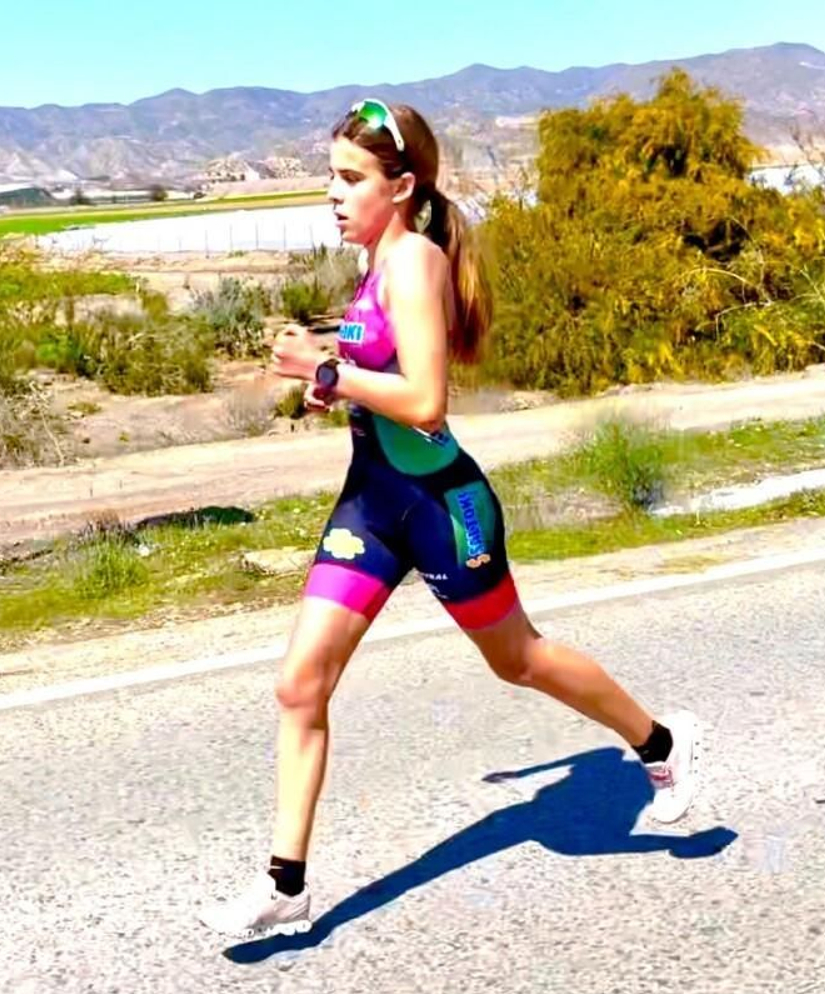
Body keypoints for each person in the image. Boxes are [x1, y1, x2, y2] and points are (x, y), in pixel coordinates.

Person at [197, 99, 704, 939]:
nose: (332, 193)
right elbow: (379, 390)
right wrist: (328, 374)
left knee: (520, 659)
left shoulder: (415, 263)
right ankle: (286, 881)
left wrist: (322, 368)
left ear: (401, 188)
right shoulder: (373, 267)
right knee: (300, 682)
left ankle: (659, 745)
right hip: (371, 502)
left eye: (349, 179)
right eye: (330, 175)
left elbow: (428, 404)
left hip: (441, 508)